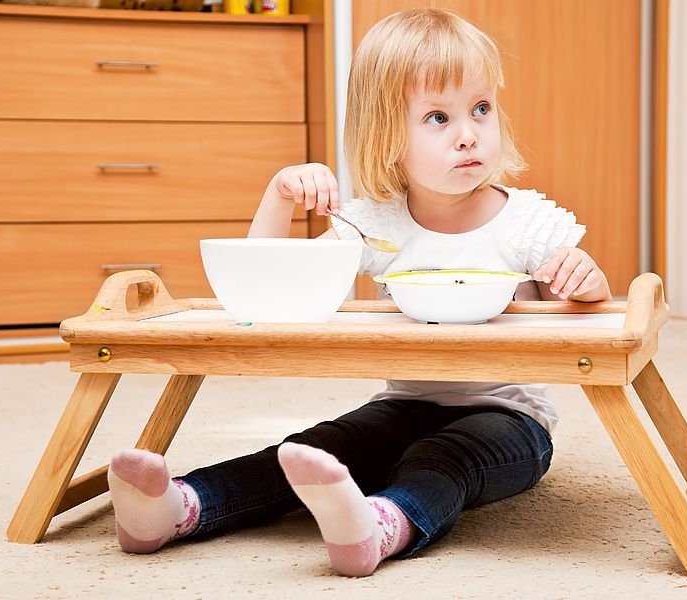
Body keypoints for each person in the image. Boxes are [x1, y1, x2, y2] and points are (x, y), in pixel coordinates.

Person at [107, 7, 612, 577]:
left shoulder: (524, 222)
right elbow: (267, 291)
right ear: (387, 135)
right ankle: (177, 507)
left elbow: (588, 317)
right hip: (402, 405)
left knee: (441, 459)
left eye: (481, 109)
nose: (469, 134)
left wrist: (586, 282)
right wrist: (279, 197)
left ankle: (382, 524)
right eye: (438, 117)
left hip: (508, 417)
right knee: (318, 446)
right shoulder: (377, 223)